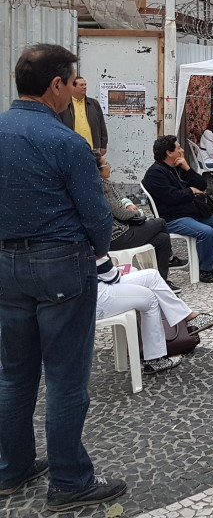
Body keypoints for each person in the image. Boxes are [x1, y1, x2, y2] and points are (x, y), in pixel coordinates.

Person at [0, 44, 126, 511]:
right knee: (66, 377)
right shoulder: (65, 141)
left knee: (14, 374)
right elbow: (96, 216)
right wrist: (98, 251)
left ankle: (11, 468)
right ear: (56, 85)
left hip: (6, 264)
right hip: (60, 262)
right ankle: (70, 479)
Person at [94, 250, 213, 374]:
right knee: (149, 298)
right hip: (91, 296)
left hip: (91, 287)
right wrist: (114, 272)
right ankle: (155, 358)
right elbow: (105, 269)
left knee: (152, 276)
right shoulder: (89, 229)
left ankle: (189, 317)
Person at [143, 135, 213, 284]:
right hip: (173, 218)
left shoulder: (177, 167)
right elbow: (172, 197)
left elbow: (202, 185)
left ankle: (212, 263)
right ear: (169, 153)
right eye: (178, 148)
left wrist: (187, 168)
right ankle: (204, 269)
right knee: (206, 232)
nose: (182, 150)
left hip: (191, 212)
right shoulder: (156, 173)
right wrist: (191, 190)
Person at [96, 152, 180, 292]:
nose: (110, 167)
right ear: (98, 169)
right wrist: (138, 213)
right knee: (160, 223)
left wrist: (128, 204)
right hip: (117, 235)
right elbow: (121, 214)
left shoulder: (105, 183)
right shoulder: (101, 186)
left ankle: (162, 282)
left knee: (162, 238)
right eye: (107, 164)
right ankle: (170, 259)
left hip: (121, 231)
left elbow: (120, 200)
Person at [58, 75, 109, 154]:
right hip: (71, 148)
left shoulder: (93, 104)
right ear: (73, 87)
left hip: (93, 148)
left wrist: (103, 145)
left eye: (85, 85)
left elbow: (101, 125)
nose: (84, 87)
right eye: (81, 85)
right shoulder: (64, 104)